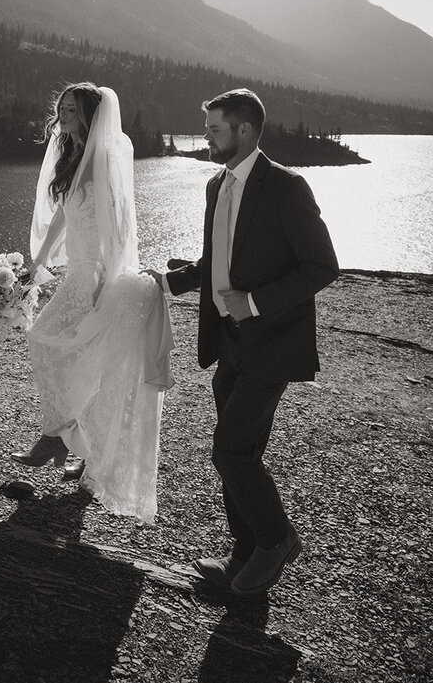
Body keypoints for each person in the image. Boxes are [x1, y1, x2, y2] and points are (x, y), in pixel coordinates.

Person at [145, 88, 339, 594]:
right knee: (242, 451)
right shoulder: (217, 185)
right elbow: (218, 261)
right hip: (228, 343)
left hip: (272, 345)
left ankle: (277, 540)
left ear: (245, 131)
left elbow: (322, 266)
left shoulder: (285, 187)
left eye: (214, 129)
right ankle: (244, 556)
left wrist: (253, 302)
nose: (206, 137)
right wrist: (168, 283)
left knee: (230, 452)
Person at [11, 82, 174, 524]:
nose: (63, 113)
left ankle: (59, 437)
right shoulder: (70, 154)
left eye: (72, 108)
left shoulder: (106, 157)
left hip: (98, 274)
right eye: (61, 106)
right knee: (52, 343)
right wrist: (39, 261)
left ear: (91, 114)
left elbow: (119, 223)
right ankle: (70, 438)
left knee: (61, 346)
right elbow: (65, 212)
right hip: (77, 270)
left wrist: (108, 279)